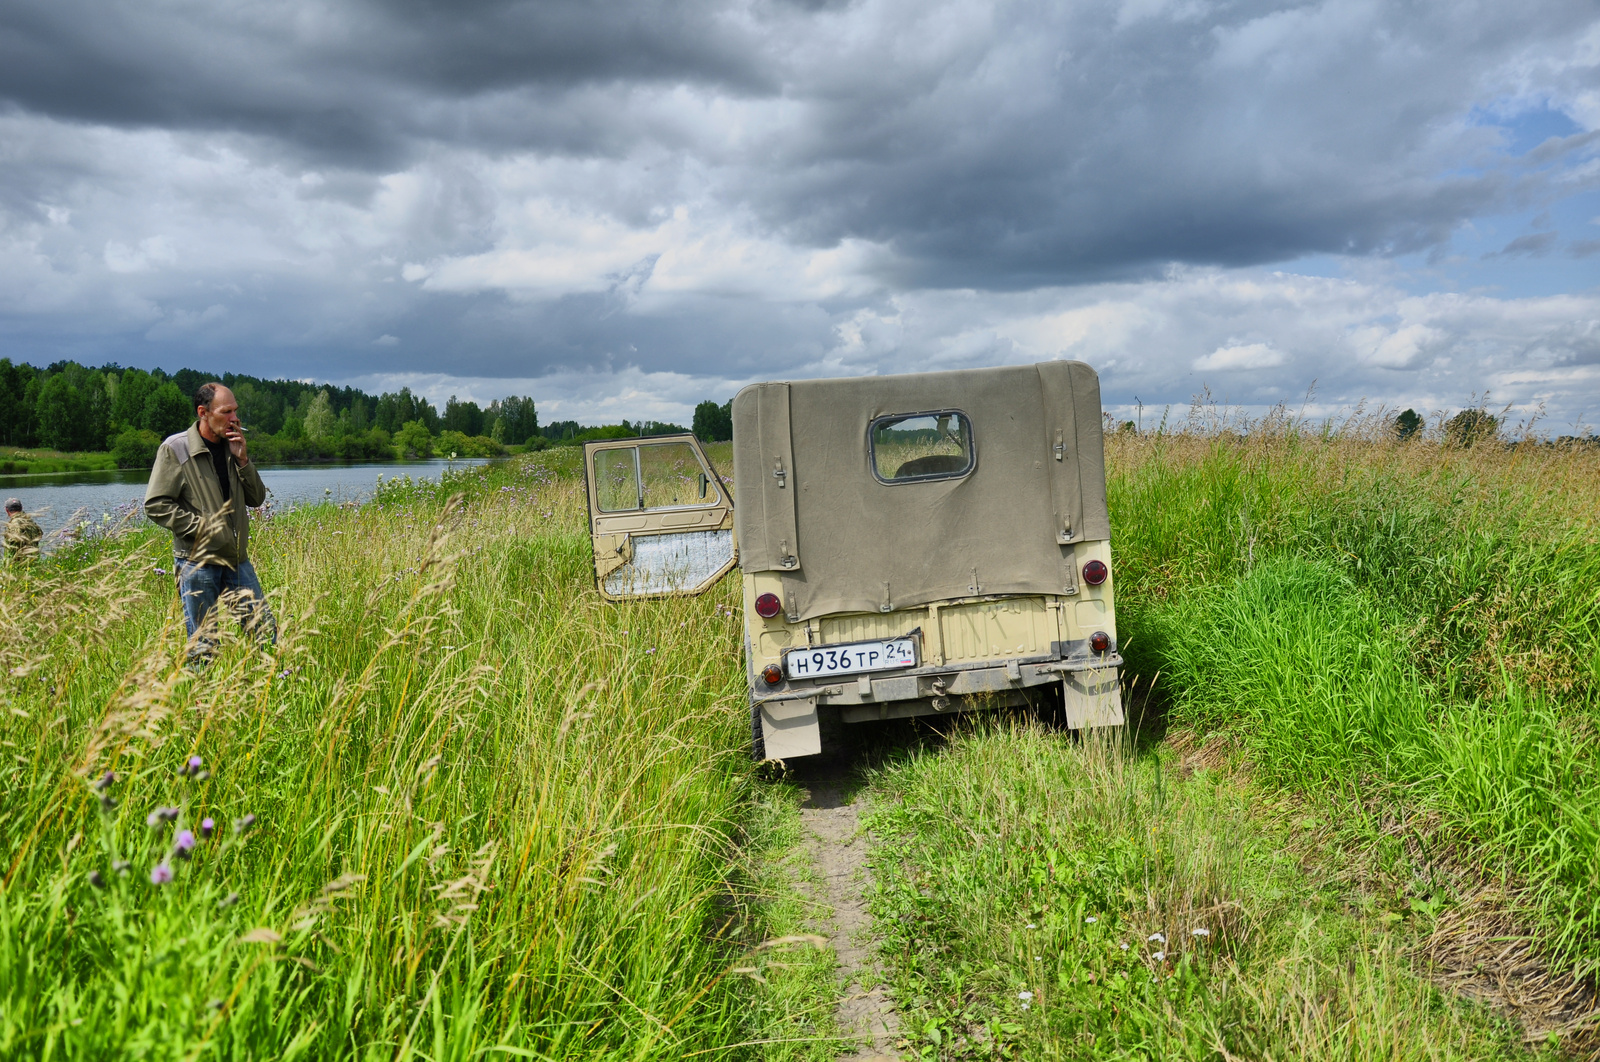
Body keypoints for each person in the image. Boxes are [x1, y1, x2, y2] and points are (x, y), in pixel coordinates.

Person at [144, 383, 275, 662]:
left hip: (236, 560)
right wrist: (205, 529)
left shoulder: (233, 447)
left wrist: (243, 461)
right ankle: (201, 700)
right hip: (197, 563)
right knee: (203, 646)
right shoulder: (176, 448)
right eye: (226, 412)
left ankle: (271, 689)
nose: (235, 419)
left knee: (265, 633)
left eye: (236, 411)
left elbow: (256, 498)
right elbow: (156, 505)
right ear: (203, 412)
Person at [3, 499, 42, 563]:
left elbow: (13, 544)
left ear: (7, 510)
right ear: (21, 508)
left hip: (19, 564)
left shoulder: (13, 524)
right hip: (34, 561)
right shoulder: (30, 521)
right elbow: (40, 535)